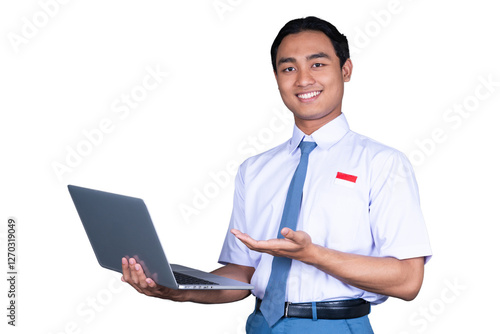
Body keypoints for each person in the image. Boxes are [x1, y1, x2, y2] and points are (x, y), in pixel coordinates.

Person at [121, 16, 432, 333]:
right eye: (289, 68)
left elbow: (408, 281)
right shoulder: (255, 170)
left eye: (318, 64)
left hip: (334, 326)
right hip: (261, 325)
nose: (303, 80)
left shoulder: (382, 163)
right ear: (277, 77)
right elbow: (243, 276)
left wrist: (313, 255)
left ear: (346, 69)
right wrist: (176, 290)